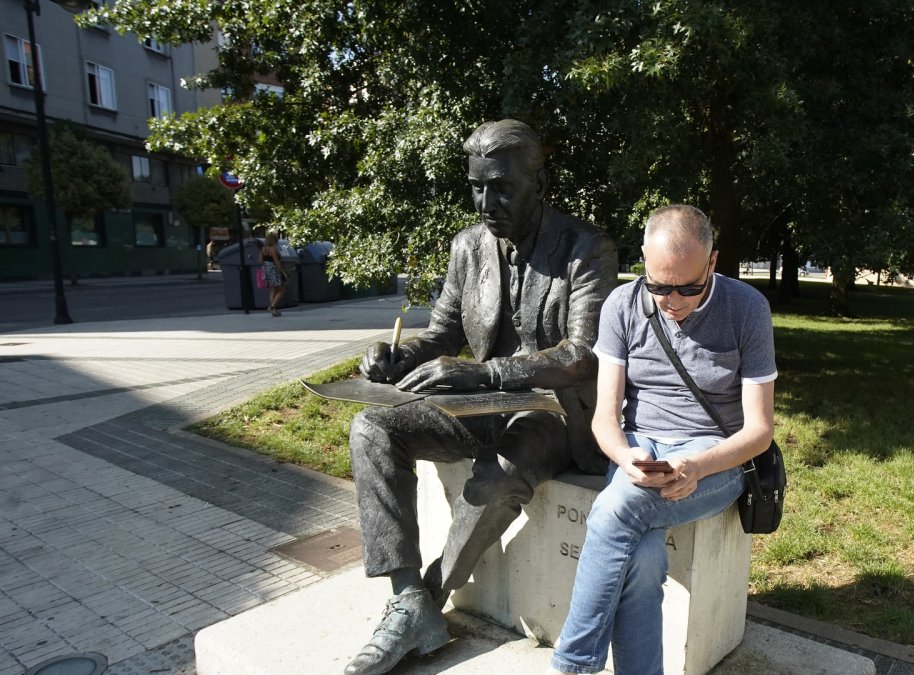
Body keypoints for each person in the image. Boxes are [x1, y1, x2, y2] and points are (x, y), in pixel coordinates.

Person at [344, 119, 617, 675]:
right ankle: (406, 599)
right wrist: (399, 357)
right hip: (479, 407)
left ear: (538, 185)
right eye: (476, 186)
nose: (486, 201)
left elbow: (582, 355)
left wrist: (484, 374)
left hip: (554, 413)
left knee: (496, 477)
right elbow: (442, 334)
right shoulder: (468, 246)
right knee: (372, 428)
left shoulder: (586, 248)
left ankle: (428, 598)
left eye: (502, 187)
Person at [548, 205, 777, 675]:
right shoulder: (621, 305)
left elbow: (758, 431)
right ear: (644, 266)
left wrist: (698, 466)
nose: (672, 301)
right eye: (658, 286)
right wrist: (624, 455)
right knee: (644, 558)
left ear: (713, 262)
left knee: (618, 510)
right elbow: (605, 419)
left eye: (688, 287)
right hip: (640, 450)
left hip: (714, 456)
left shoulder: (747, 309)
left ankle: (572, 666)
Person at [258, 230, 287, 316]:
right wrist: (283, 272)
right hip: (273, 269)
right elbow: (276, 261)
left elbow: (259, 260)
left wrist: (266, 264)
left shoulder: (263, 249)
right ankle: (272, 306)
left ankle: (274, 310)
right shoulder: (273, 249)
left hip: (265, 269)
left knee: (272, 290)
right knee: (281, 290)